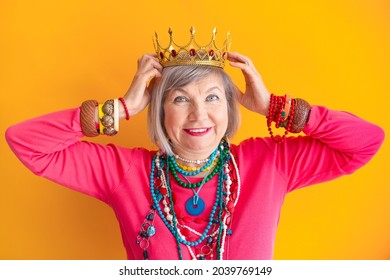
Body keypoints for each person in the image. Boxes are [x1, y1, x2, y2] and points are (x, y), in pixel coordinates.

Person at [5, 27, 384, 260]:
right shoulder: (124, 172)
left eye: (213, 97)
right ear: (160, 110)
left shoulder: (270, 163)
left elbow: (366, 142)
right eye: (180, 98)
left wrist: (273, 107)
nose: (198, 115)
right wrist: (120, 108)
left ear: (231, 105)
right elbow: (25, 142)